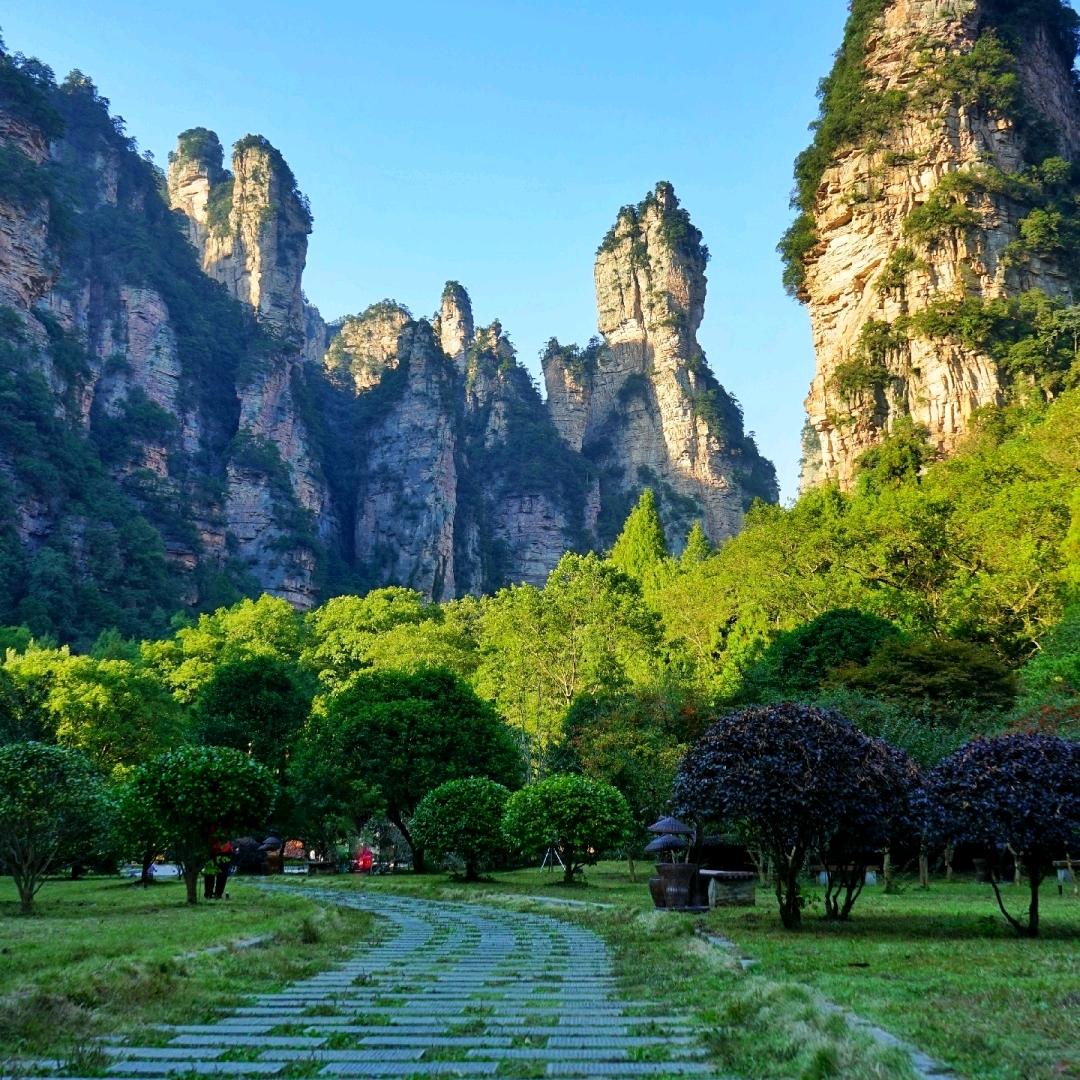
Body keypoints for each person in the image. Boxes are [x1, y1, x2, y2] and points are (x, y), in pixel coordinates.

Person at [203, 833, 233, 900]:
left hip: (223, 850)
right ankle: (210, 894)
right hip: (212, 849)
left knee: (221, 874)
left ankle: (216, 894)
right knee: (210, 873)